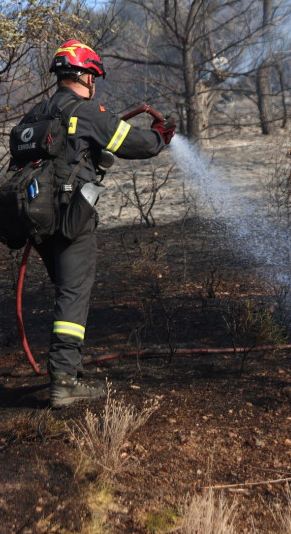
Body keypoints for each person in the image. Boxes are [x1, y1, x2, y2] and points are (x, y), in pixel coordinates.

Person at [31, 40, 175, 407]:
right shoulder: (86, 112)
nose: (95, 84)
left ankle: (67, 369)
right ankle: (63, 382)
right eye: (94, 76)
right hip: (70, 220)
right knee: (74, 292)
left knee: (66, 289)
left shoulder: (38, 112)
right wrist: (160, 137)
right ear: (87, 76)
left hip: (39, 220)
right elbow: (135, 143)